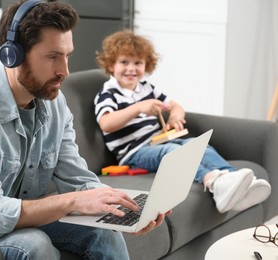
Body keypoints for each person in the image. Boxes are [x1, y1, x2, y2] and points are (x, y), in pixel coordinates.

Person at [0, 2, 169, 259]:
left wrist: (123, 209)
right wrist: (73, 201)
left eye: (67, 56)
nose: (64, 71)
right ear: (12, 55)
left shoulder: (54, 103)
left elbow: (77, 179)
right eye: (52, 57)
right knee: (33, 245)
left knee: (103, 235)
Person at [94, 30, 271, 214]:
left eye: (138, 63)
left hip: (158, 141)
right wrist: (138, 108)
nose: (131, 68)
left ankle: (236, 180)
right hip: (133, 153)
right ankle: (213, 182)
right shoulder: (108, 93)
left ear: (146, 65)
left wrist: (175, 115)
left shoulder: (146, 88)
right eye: (124, 62)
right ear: (111, 64)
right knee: (175, 153)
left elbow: (175, 105)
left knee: (198, 146)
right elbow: (106, 123)